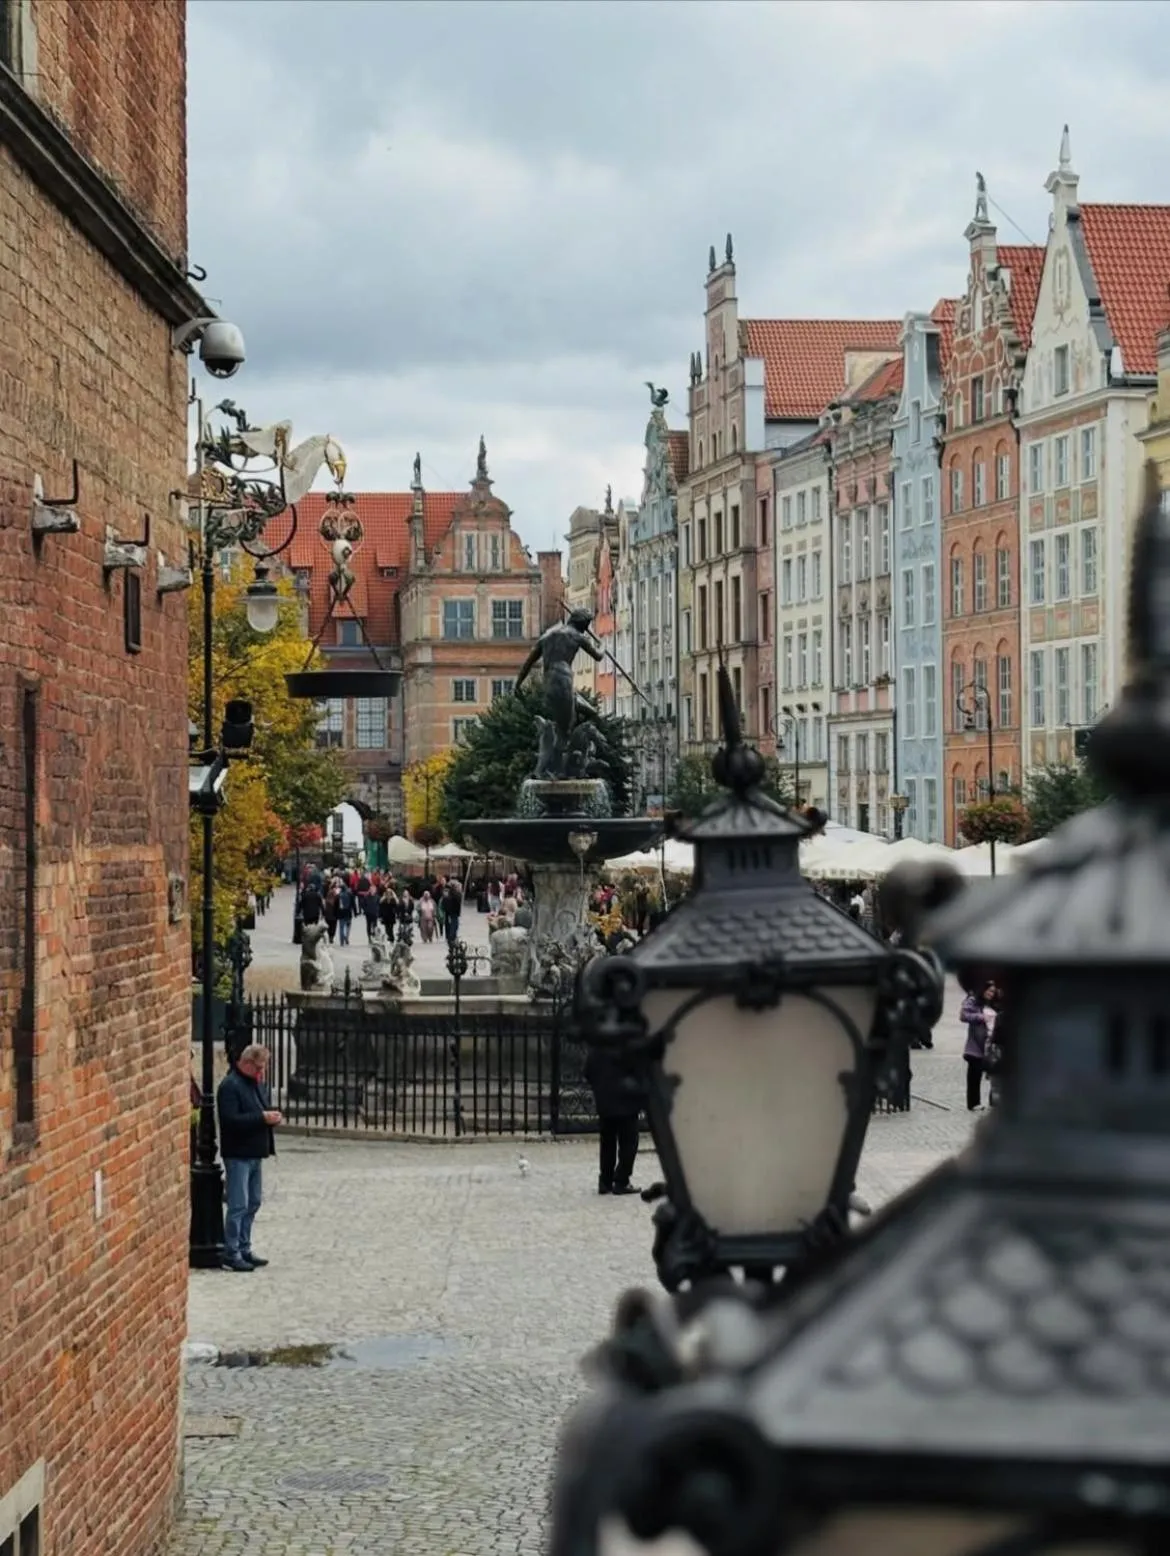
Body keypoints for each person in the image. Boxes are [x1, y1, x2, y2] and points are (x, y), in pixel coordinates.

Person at [216, 1044, 281, 1272]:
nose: (261, 1073)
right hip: (238, 1154)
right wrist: (261, 1118)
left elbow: (258, 1109)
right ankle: (231, 1251)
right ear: (247, 1063)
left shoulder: (255, 1084)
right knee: (238, 1204)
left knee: (253, 1202)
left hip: (255, 1152)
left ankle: (244, 1247)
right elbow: (230, 1120)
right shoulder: (230, 1086)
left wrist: (269, 1116)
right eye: (259, 1068)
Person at [584, 1044, 643, 1195]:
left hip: (605, 1102)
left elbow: (588, 1071)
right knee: (629, 1142)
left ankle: (605, 1181)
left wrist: (600, 1088)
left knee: (607, 1142)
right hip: (626, 1102)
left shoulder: (597, 1047)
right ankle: (621, 1180)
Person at [960, 979, 997, 1111]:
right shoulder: (973, 1000)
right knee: (974, 1075)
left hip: (989, 1044)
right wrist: (981, 1017)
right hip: (975, 1045)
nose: (991, 994)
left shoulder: (994, 1003)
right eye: (990, 991)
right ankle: (973, 1102)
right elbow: (964, 1015)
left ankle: (994, 1101)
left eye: (993, 991)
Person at [443, 876, 463, 946]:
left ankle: (450, 937)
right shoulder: (454, 889)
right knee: (454, 923)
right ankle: (452, 937)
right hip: (453, 909)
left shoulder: (446, 888)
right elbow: (457, 899)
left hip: (448, 909)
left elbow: (444, 898)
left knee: (450, 923)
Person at [337, 879, 355, 946]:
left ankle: (342, 941)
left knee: (341, 927)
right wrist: (355, 912)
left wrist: (335, 913)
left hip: (341, 913)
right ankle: (347, 937)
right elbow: (353, 904)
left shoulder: (339, 896)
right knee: (348, 926)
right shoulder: (350, 895)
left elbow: (336, 906)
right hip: (348, 913)